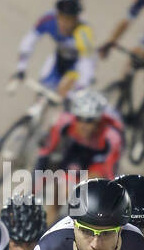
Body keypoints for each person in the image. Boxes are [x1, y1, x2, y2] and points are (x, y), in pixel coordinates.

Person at [35, 88, 124, 224]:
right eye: (80, 119)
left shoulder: (112, 136)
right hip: (76, 151)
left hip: (97, 159)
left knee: (88, 191)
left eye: (90, 121)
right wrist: (34, 191)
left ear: (98, 120)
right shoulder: (63, 122)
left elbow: (111, 173)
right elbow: (45, 153)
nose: (84, 125)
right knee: (59, 196)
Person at [9, 0, 96, 100]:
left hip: (77, 64)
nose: (64, 24)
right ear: (57, 15)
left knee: (64, 95)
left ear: (76, 19)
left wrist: (82, 85)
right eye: (61, 18)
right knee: (42, 92)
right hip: (59, 57)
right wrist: (21, 67)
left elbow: (87, 62)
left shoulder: (83, 33)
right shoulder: (48, 19)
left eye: (69, 20)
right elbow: (29, 41)